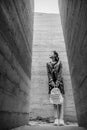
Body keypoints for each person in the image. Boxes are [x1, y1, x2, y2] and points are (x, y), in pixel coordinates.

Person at [46, 51, 65, 126]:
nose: (50, 54)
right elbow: (48, 73)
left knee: (60, 101)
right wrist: (51, 82)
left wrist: (57, 83)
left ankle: (61, 119)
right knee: (54, 100)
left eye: (51, 53)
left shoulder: (60, 63)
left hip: (59, 83)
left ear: (55, 55)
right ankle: (56, 119)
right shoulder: (48, 64)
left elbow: (60, 73)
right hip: (51, 84)